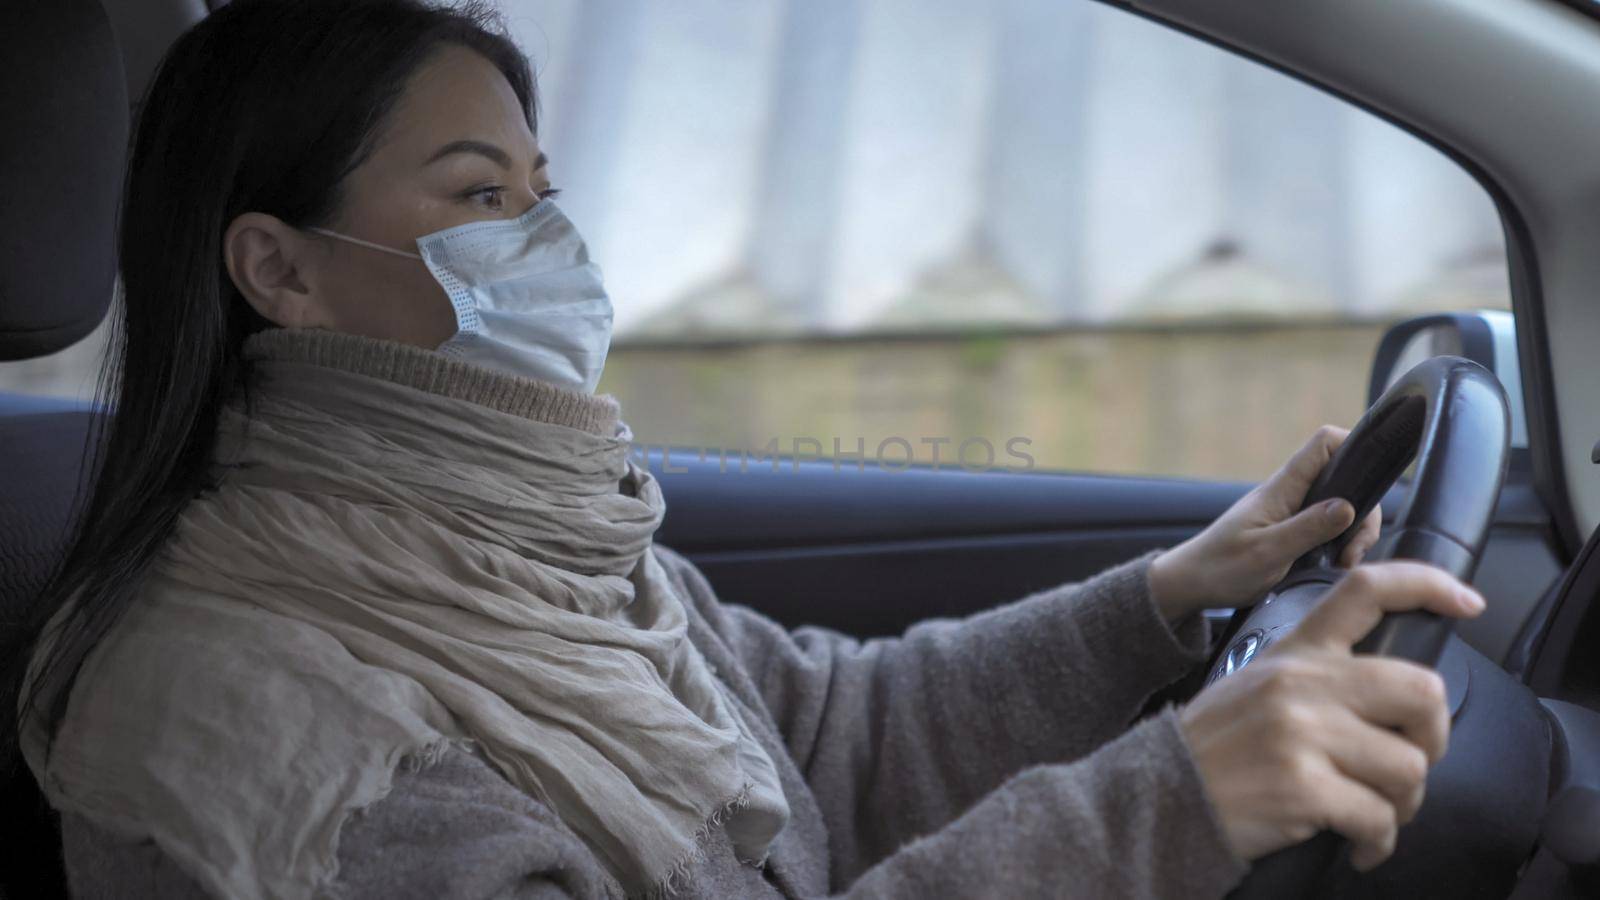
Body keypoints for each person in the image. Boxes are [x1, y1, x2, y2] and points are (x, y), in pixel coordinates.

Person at [3, 1, 1484, 898]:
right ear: (283, 271)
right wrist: (1165, 808)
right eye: (478, 196)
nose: (555, 242)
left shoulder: (534, 541)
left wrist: (1164, 597)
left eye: (545, 187)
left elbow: (828, 738)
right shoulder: (243, 721)